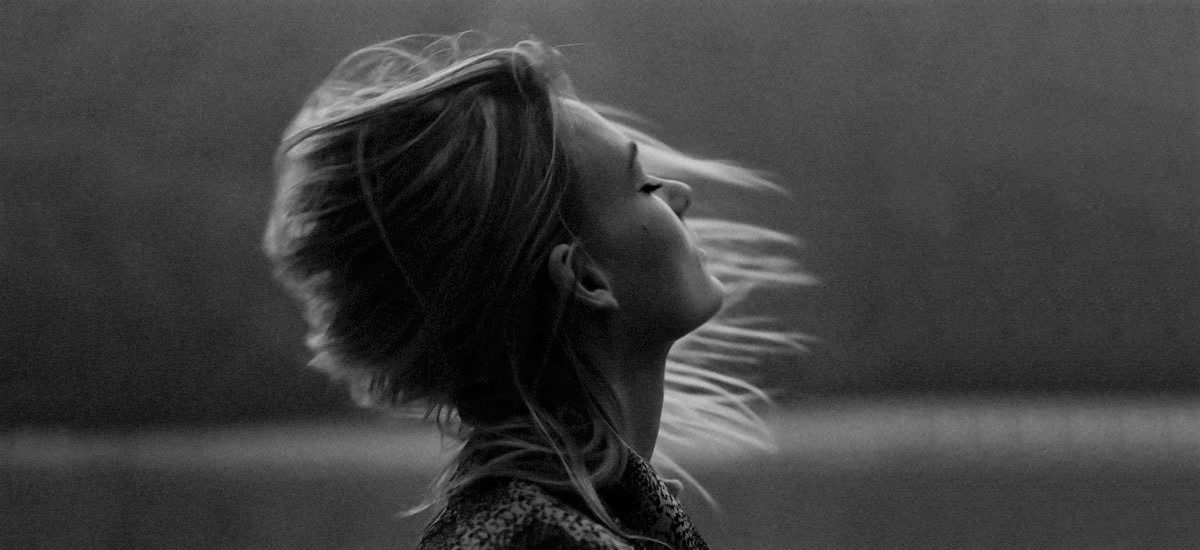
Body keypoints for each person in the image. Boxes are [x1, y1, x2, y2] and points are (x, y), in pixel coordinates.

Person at [263, 34, 809, 550]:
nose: (681, 195)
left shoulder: (552, 521)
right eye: (644, 186)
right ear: (586, 279)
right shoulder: (546, 536)